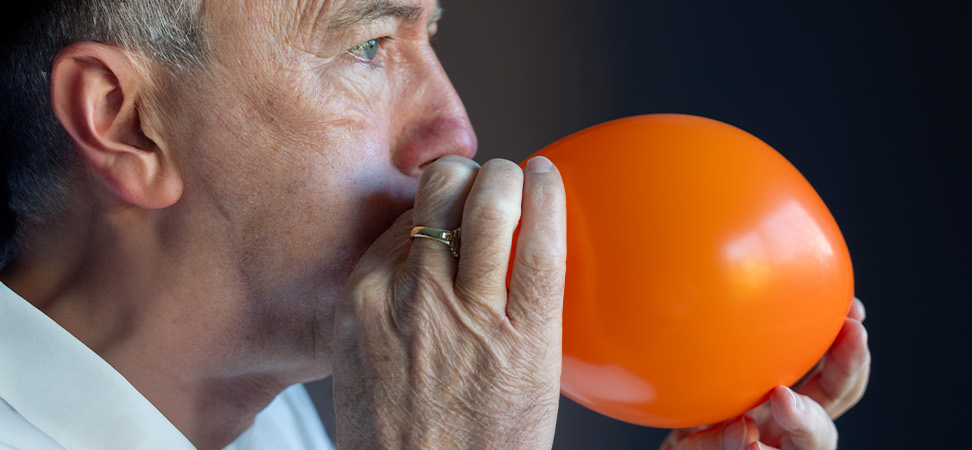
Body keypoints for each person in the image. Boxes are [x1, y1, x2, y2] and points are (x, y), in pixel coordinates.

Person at [0, 0, 872, 449]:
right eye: (368, 46)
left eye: (428, 34)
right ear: (126, 121)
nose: (454, 130)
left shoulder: (263, 408)